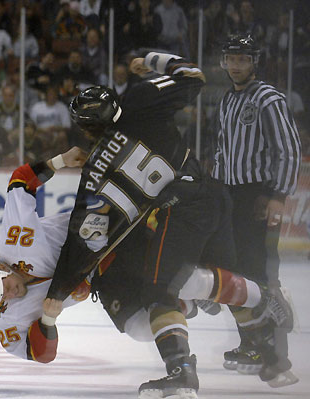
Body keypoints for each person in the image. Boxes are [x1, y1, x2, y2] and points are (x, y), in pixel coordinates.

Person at [0, 146, 291, 394]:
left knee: (180, 282)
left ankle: (261, 294)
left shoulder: (15, 238)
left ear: (0, 266)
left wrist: (61, 161)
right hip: (102, 277)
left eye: (6, 284)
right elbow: (41, 354)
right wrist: (48, 320)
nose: (10, 294)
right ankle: (195, 304)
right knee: (139, 329)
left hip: (116, 241)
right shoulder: (8, 317)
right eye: (2, 297)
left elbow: (20, 180)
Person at [42, 52, 295, 398]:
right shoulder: (142, 100)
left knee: (159, 290)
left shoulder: (95, 173)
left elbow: (83, 237)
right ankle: (271, 359)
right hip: (213, 194)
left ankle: (182, 372)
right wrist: (151, 60)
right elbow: (193, 77)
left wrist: (57, 292)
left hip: (180, 209)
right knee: (222, 277)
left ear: (85, 127)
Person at [212, 33, 301, 386]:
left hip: (258, 198)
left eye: (243, 59)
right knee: (236, 274)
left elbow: (288, 150)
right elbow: (222, 150)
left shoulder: (267, 98)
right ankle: (253, 345)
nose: (236, 65)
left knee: (261, 276)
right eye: (231, 59)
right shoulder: (226, 100)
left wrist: (278, 195)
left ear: (254, 62)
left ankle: (277, 359)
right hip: (231, 196)